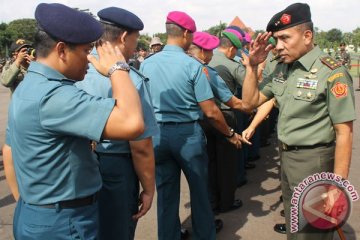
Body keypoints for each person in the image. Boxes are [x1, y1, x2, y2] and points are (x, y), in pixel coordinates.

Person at [6, 3, 144, 239]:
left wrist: (34, 206)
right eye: (85, 51)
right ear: (61, 50)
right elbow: (132, 123)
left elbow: (9, 151)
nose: (90, 60)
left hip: (39, 213)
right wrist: (118, 68)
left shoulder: (30, 85)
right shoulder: (56, 96)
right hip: (64, 223)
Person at [241, 3, 355, 240]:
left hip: (314, 162)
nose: (278, 46)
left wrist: (337, 186)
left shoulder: (331, 71)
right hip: (287, 159)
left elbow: (344, 133)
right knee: (296, 228)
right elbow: (249, 103)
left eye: (284, 38)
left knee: (311, 232)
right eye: (276, 40)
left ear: (307, 36)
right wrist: (252, 67)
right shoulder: (283, 69)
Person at [140, 11, 242, 240]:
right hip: (187, 135)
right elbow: (211, 112)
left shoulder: (147, 64)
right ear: (186, 33)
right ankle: (204, 235)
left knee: (166, 194)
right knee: (199, 192)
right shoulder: (192, 66)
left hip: (158, 135)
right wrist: (230, 134)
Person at [76, 7, 158, 240]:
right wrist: (149, 189)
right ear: (123, 37)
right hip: (117, 168)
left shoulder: (78, 69)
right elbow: (140, 146)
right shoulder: (130, 79)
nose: (134, 46)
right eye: (135, 39)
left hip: (81, 164)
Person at [188, 31, 249, 214]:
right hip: (220, 117)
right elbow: (231, 101)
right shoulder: (204, 70)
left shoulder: (170, 66)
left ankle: (212, 202)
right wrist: (250, 108)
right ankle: (226, 202)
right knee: (227, 164)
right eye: (209, 51)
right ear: (201, 51)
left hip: (197, 124)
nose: (211, 55)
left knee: (209, 165)